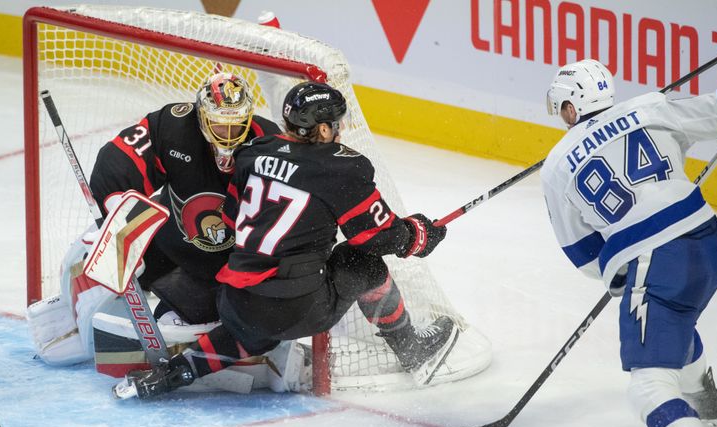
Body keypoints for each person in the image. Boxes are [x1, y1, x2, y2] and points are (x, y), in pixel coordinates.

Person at [113, 81, 459, 400]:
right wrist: (419, 234)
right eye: (336, 123)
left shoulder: (252, 152)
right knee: (358, 261)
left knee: (255, 322)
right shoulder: (342, 167)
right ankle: (412, 348)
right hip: (298, 309)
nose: (340, 129)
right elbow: (377, 237)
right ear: (323, 128)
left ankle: (176, 373)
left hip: (235, 301)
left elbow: (232, 219)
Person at [541, 59, 717, 427]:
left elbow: (584, 256)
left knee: (647, 382)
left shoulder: (557, 164)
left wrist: (620, 270)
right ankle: (706, 401)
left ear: (568, 107)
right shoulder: (650, 107)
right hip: (710, 243)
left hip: (657, 261)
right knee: (674, 315)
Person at [27, 72, 295, 382]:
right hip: (168, 237)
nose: (229, 133)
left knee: (173, 319)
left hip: (222, 266)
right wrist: (119, 221)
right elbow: (119, 159)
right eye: (221, 123)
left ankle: (205, 343)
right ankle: (74, 311)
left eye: (237, 124)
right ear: (201, 115)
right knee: (95, 260)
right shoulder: (174, 126)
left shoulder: (271, 146)